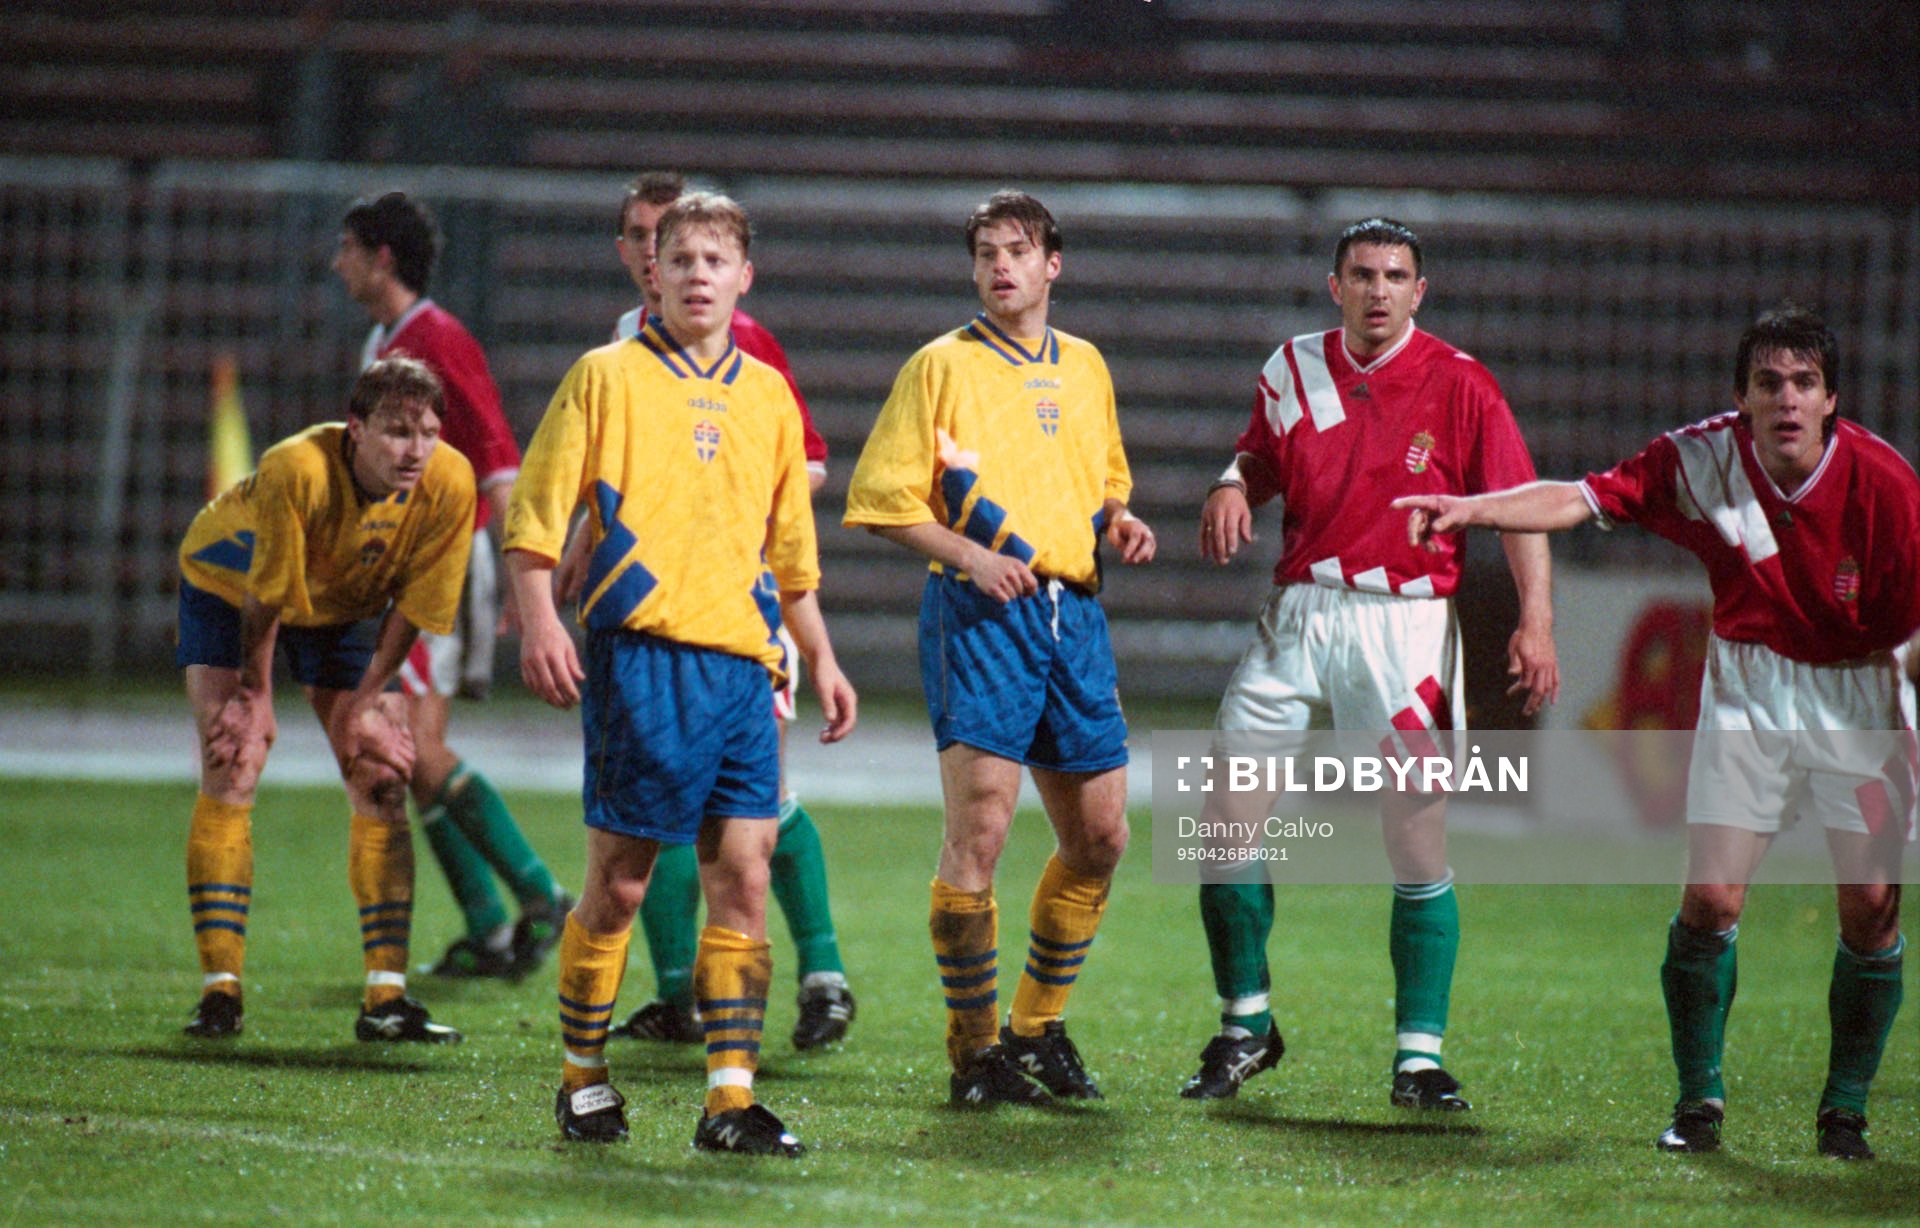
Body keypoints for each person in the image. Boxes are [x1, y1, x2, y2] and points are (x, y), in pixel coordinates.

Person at [1395, 304, 1919, 1160]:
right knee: (1711, 899)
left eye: (1804, 384)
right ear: (1741, 398)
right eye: (1767, 384)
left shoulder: (1887, 486)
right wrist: (1475, 509)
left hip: (1859, 692)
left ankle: (1845, 1113)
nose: (1786, 400)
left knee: (1869, 908)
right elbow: (1581, 495)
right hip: (1750, 682)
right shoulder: (1701, 458)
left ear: (1832, 400)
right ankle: (1699, 1102)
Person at [506, 192, 857, 1156]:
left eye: (717, 260)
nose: (699, 274)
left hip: (746, 666)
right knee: (620, 885)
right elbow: (536, 519)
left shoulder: (770, 396)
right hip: (643, 657)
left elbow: (791, 557)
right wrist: (539, 619)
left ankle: (729, 1103)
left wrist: (820, 656)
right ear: (650, 273)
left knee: (742, 877)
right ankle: (582, 1080)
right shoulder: (604, 377)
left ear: (745, 279)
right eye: (682, 258)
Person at [1186, 217, 1559, 1108]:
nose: (1379, 289)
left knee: (1413, 838)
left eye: (1396, 275)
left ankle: (1419, 1058)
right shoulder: (1292, 367)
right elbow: (1262, 455)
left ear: (1418, 291)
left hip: (1406, 626)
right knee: (1223, 818)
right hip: (1298, 616)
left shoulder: (1463, 384)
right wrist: (1234, 481)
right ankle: (1246, 1026)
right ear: (1335, 284)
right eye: (1363, 274)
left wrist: (1536, 620)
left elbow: (1514, 506)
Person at [843, 189, 1157, 1106]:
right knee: (979, 830)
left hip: (1074, 618)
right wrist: (972, 557)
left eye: (1017, 250)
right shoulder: (940, 366)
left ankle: (1035, 1026)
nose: (1001, 267)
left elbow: (1104, 483)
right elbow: (883, 499)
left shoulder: (1087, 365)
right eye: (986, 253)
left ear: (1052, 263)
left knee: (1099, 837)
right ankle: (974, 1051)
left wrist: (1122, 520)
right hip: (980, 616)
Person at [589, 171, 856, 1050]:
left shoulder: (748, 348)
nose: (654, 253)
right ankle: (680, 994)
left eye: (692, 245)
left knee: (758, 809)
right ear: (636, 255)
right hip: (649, 622)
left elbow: (803, 464)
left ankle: (821, 973)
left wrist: (719, 507)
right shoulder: (619, 352)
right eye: (641, 237)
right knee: (654, 820)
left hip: (740, 612)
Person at [177, 357, 473, 1043]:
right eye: (398, 432)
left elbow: (418, 607)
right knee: (237, 758)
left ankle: (386, 1000)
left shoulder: (449, 482)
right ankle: (220, 993)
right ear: (356, 430)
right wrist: (256, 694)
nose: (416, 449)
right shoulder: (298, 470)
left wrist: (369, 697)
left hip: (342, 604)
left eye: (427, 431)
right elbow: (267, 596)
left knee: (381, 774)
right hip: (230, 590)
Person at [334, 191, 573, 981]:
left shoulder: (438, 339)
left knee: (411, 746)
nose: (337, 263)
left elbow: (500, 460)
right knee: (401, 752)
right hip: (405, 561)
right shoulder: (389, 339)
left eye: (347, 248)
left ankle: (541, 893)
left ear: (382, 258)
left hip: (445, 558)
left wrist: (519, 584)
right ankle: (492, 928)